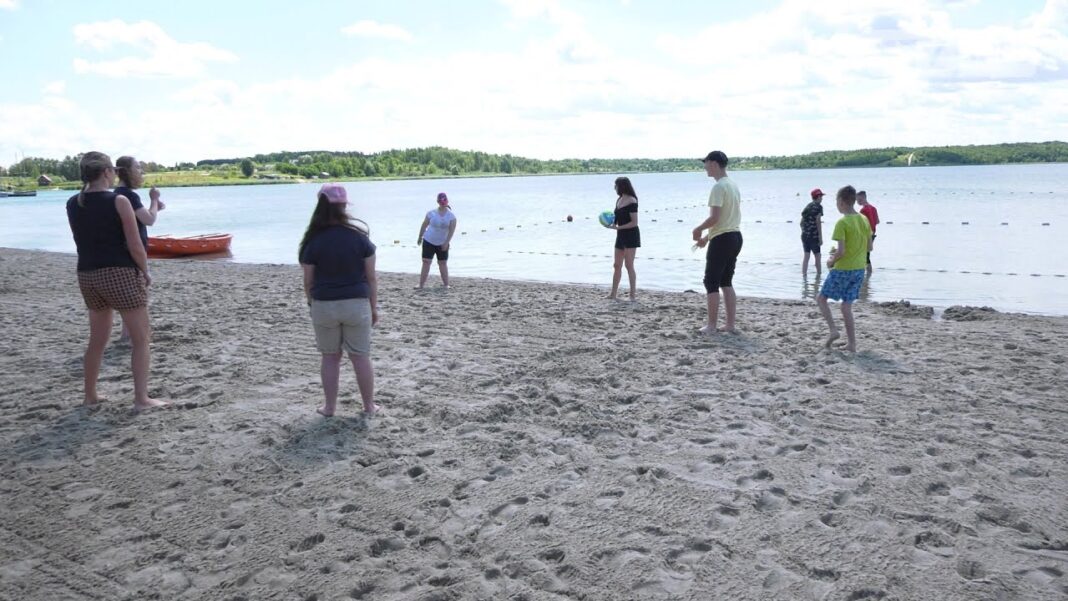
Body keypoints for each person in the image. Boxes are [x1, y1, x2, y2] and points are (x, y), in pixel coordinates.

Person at [65, 151, 166, 410]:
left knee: (97, 340)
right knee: (141, 338)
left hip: (87, 274)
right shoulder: (119, 201)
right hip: (119, 273)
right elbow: (135, 245)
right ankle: (142, 399)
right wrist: (145, 271)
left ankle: (90, 396)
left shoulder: (73, 202)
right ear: (108, 172)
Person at [299, 183, 379, 417]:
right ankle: (368, 406)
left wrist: (311, 305)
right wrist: (373, 308)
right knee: (360, 356)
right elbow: (372, 278)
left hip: (324, 304)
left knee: (330, 357)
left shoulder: (312, 241)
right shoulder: (359, 238)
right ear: (344, 206)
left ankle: (330, 407)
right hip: (357, 303)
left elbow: (308, 283)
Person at [691, 150, 743, 335]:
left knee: (711, 281)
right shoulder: (732, 185)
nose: (704, 167)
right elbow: (726, 220)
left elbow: (715, 218)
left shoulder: (719, 187)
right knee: (726, 281)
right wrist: (706, 239)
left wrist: (698, 230)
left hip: (723, 239)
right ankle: (730, 325)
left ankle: (711, 325)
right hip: (735, 236)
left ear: (713, 163)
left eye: (706, 163)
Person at [816, 185, 872, 352]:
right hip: (859, 269)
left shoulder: (842, 222)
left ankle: (833, 330)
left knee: (821, 298)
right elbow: (869, 246)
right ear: (854, 200)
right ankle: (852, 344)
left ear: (840, 202)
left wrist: (832, 260)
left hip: (843, 269)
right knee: (846, 306)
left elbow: (841, 251)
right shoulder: (864, 219)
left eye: (836, 201)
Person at [114, 155, 164, 341]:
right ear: (127, 172)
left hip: (121, 253)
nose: (141, 172)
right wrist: (154, 199)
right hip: (131, 255)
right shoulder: (129, 195)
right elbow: (149, 220)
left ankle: (126, 335)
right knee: (135, 299)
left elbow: (143, 216)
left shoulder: (116, 193)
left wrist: (155, 207)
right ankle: (131, 337)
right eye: (138, 168)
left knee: (128, 300)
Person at [608, 176, 640, 301]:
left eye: (616, 185)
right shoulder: (619, 199)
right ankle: (613, 294)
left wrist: (618, 228)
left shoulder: (632, 200)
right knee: (616, 265)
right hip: (620, 235)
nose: (614, 188)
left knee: (629, 265)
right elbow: (616, 217)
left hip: (631, 235)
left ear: (621, 186)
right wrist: (612, 224)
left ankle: (632, 295)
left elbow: (634, 222)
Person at [417, 192, 457, 289]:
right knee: (426, 262)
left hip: (442, 242)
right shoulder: (431, 213)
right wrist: (420, 237)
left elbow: (451, 231)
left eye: (444, 200)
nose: (442, 202)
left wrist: (446, 243)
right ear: (438, 202)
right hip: (428, 240)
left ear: (447, 201)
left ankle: (446, 284)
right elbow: (424, 225)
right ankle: (421, 285)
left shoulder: (451, 216)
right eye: (441, 201)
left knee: (442, 263)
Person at [801, 188, 824, 278]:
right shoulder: (818, 207)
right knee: (817, 256)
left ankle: (804, 276)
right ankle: (819, 276)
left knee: (806, 256)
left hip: (804, 235)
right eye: (821, 196)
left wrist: (804, 231)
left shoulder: (808, 206)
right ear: (818, 197)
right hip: (814, 236)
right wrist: (820, 237)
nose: (822, 198)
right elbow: (818, 221)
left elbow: (801, 222)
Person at [857, 190, 880, 275]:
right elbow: (877, 221)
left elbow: (860, 225)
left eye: (858, 200)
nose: (857, 202)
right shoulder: (873, 208)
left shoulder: (863, 210)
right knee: (866, 255)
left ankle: (867, 274)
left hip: (866, 235)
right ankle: (868, 276)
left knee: (864, 256)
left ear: (863, 197)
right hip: (873, 234)